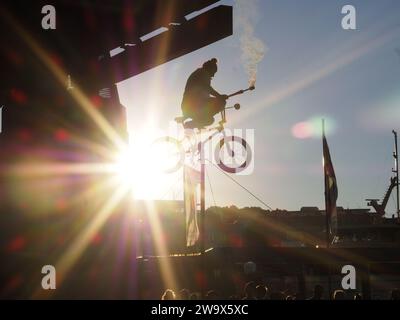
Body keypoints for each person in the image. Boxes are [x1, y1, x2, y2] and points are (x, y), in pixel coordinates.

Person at [181, 58, 228, 129]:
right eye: (213, 73)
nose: (213, 76)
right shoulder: (202, 73)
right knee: (221, 102)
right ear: (210, 69)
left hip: (190, 106)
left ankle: (195, 123)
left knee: (210, 120)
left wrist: (219, 97)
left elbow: (205, 90)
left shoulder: (200, 73)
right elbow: (207, 87)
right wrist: (219, 96)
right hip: (193, 106)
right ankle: (192, 124)